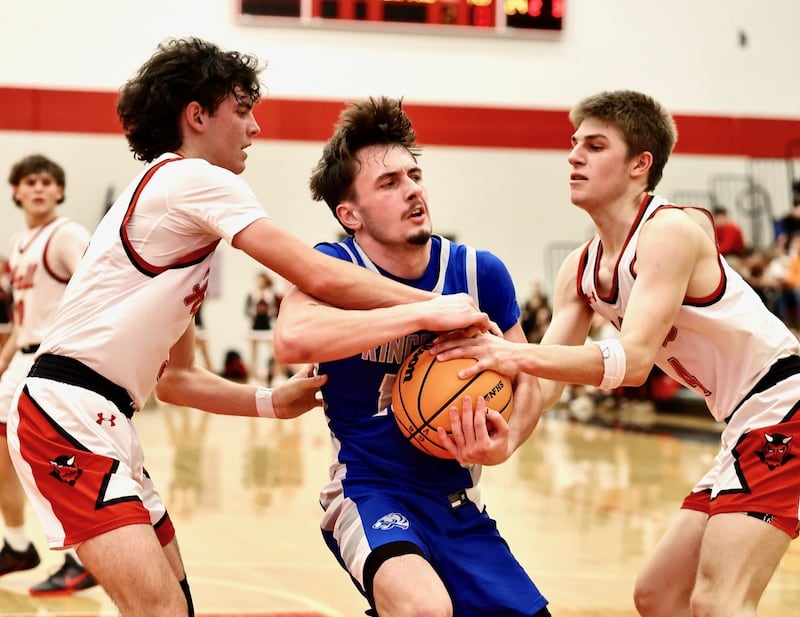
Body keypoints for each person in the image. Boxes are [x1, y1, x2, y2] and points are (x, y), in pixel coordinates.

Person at [5, 39, 489, 617]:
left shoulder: (183, 219)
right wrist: (433, 307)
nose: (255, 127)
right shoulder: (191, 179)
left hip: (106, 418)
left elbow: (177, 380)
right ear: (198, 115)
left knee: (173, 609)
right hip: (67, 413)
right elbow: (316, 272)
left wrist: (270, 402)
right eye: (242, 110)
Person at [431, 90, 800, 617]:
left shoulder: (669, 231)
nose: (574, 156)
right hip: (744, 420)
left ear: (639, 165)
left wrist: (512, 355)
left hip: (784, 405)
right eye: (574, 143)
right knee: (658, 595)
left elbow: (633, 362)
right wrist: (506, 439)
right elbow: (549, 379)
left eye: (595, 145)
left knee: (720, 600)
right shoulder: (579, 269)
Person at [274, 96, 550, 617]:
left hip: (457, 498)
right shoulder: (334, 267)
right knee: (424, 609)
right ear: (349, 214)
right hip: (368, 490)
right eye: (389, 183)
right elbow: (292, 338)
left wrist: (507, 441)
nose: (413, 190)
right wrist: (422, 314)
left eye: (413, 175)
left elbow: (527, 374)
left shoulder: (478, 273)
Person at [0, 155, 99, 595]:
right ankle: (18, 544)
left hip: (52, 363)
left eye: (46, 182)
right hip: (21, 358)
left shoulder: (67, 235)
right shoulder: (20, 241)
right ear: (16, 191)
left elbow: (97, 289)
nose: (38, 188)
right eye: (29, 182)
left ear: (59, 191)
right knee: (5, 456)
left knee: (54, 461)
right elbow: (25, 320)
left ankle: (81, 559)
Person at [244, 270, 280, 380]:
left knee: (275, 354)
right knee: (253, 355)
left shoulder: (272, 294)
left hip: (267, 327)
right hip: (255, 327)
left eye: (260, 280)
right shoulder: (252, 294)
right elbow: (246, 310)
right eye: (257, 280)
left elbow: (277, 310)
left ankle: (278, 376)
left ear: (265, 281)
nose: (258, 282)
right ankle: (252, 377)